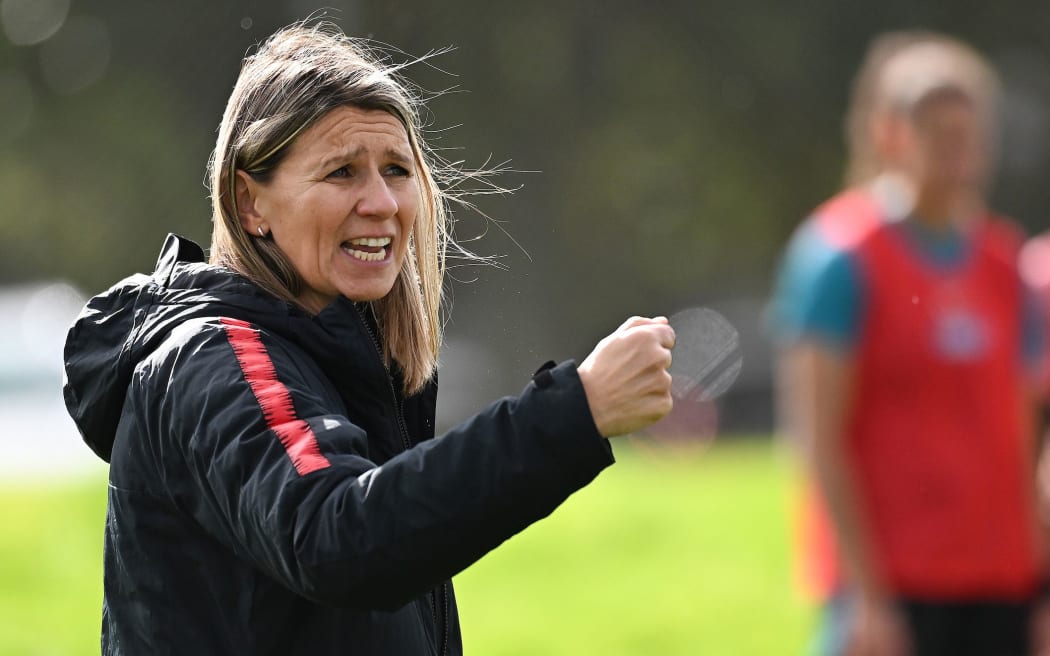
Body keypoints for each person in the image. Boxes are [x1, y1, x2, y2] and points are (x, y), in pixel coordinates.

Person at [62, 22, 675, 655]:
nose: (381, 202)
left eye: (396, 170)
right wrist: (575, 410)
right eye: (342, 173)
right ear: (250, 204)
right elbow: (339, 538)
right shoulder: (218, 357)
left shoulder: (342, 352)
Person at [771, 31, 1048, 656]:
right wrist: (865, 598)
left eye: (970, 137)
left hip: (1000, 582)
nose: (960, 156)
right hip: (894, 587)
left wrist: (1040, 590)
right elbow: (818, 438)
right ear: (891, 135)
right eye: (940, 135)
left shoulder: (1004, 265)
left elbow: (1022, 436)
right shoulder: (841, 259)